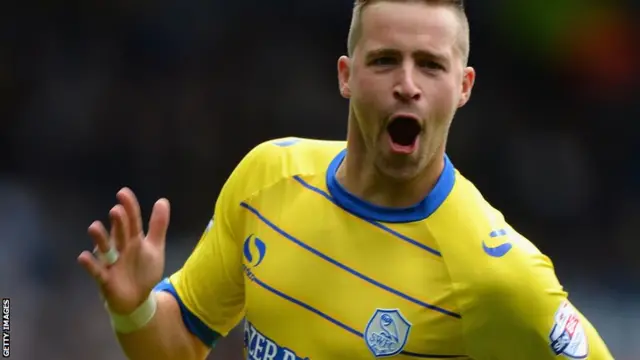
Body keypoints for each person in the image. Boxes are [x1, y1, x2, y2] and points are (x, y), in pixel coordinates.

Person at [78, 0, 614, 359]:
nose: (407, 85)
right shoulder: (269, 178)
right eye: (384, 61)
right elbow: (180, 343)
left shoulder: (497, 275)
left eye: (430, 65)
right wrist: (133, 309)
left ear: (464, 85)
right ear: (346, 76)